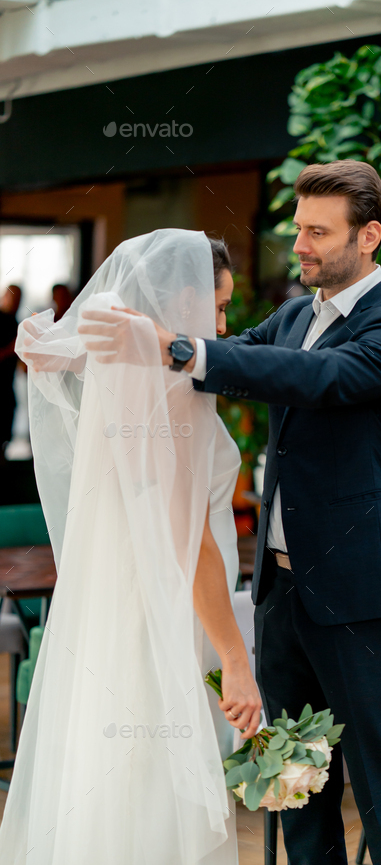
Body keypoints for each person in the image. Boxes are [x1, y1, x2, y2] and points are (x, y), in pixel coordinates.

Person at [79, 160, 381, 865]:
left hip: (359, 599)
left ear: (368, 236)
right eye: (298, 228)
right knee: (294, 788)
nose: (298, 245)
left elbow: (316, 377)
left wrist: (178, 346)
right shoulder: (296, 314)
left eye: (317, 232)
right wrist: (84, 352)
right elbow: (229, 358)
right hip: (281, 598)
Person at [0, 231, 260, 865]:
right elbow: (191, 544)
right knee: (150, 790)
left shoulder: (120, 373)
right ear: (185, 299)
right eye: (219, 307)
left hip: (116, 608)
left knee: (113, 778)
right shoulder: (172, 387)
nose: (222, 327)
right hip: (162, 616)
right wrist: (236, 659)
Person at [0, 284, 21, 459]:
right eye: (12, 297)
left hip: (7, 385)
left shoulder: (15, 322)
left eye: (18, 299)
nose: (15, 302)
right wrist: (11, 349)